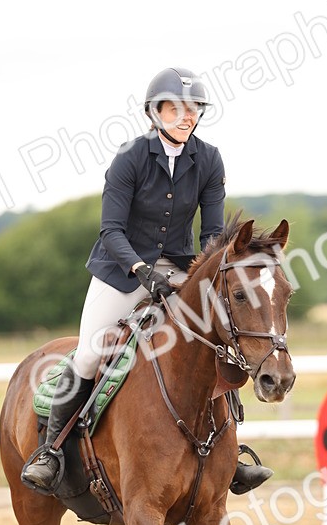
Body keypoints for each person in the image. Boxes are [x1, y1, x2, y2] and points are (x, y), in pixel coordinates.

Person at [21, 66, 273, 496]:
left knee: (214, 342)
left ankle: (228, 456)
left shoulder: (209, 160)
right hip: (121, 271)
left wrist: (203, 276)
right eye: (175, 107)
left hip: (178, 270)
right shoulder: (131, 159)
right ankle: (51, 451)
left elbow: (212, 235)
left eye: (193, 108)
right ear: (155, 112)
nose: (185, 115)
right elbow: (111, 231)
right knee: (86, 355)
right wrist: (142, 271)